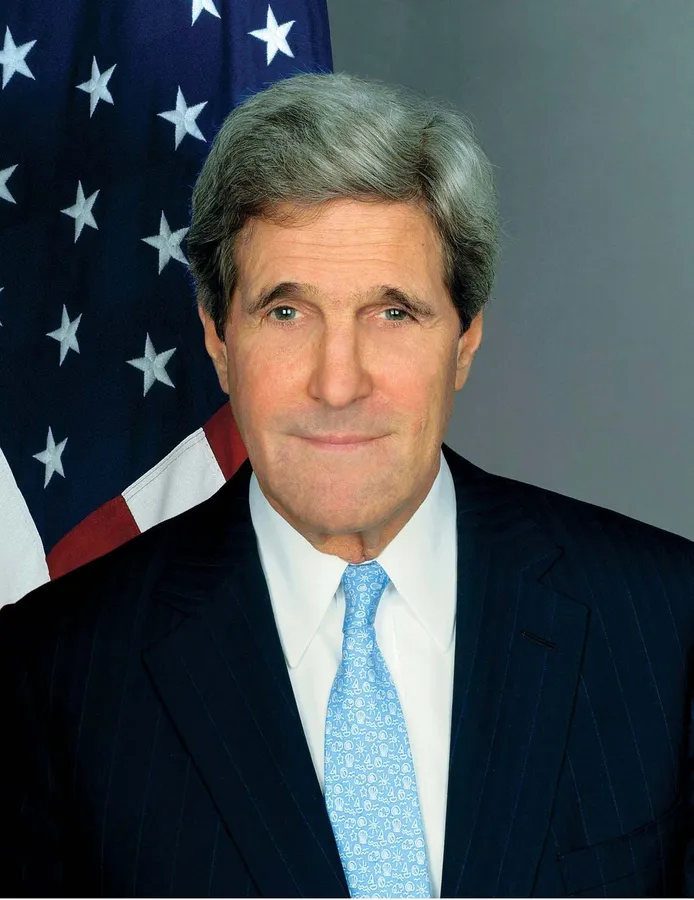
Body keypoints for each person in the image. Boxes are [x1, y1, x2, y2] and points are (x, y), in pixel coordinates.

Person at [0, 70, 692, 899]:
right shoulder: (52, 672)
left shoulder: (667, 624)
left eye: (392, 313)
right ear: (218, 338)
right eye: (286, 313)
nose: (337, 383)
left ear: (465, 339)